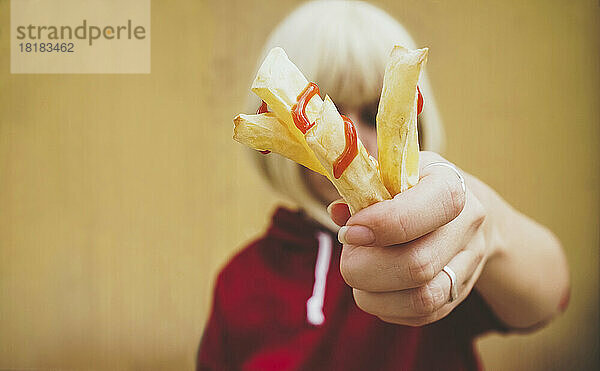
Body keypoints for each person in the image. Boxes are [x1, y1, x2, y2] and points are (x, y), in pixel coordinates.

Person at [198, 1, 570, 370]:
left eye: (374, 112)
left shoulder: (438, 241)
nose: (354, 137)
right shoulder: (240, 281)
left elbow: (550, 297)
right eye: (327, 112)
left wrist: (489, 233)